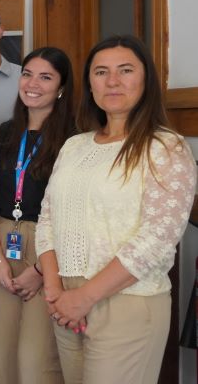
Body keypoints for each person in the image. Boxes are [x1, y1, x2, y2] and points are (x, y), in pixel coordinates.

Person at [36, 35, 197, 384]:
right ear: (89, 83)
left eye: (125, 70)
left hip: (127, 302)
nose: (112, 81)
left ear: (145, 80)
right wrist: (55, 290)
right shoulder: (75, 146)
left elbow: (156, 239)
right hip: (65, 301)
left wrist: (84, 297)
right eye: (101, 72)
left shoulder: (166, 147)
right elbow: (48, 218)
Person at [0, 47, 75, 384]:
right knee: (3, 356)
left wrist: (39, 271)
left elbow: (75, 213)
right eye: (28, 74)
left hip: (50, 248)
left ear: (61, 87)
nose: (33, 83)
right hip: (2, 240)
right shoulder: (5, 132)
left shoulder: (75, 138)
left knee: (36, 361)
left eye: (46, 77)